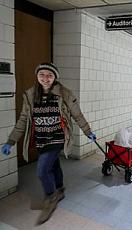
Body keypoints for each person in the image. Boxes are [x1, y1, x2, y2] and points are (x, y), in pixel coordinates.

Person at [1, 63, 96, 225]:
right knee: (54, 166)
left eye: (49, 75)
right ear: (37, 76)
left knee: (42, 171)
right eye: (42, 75)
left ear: (55, 77)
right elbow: (23, 120)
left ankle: (50, 197)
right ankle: (60, 190)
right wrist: (11, 141)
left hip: (58, 138)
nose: (45, 78)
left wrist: (88, 131)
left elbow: (77, 114)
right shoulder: (30, 95)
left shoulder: (64, 93)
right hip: (41, 139)